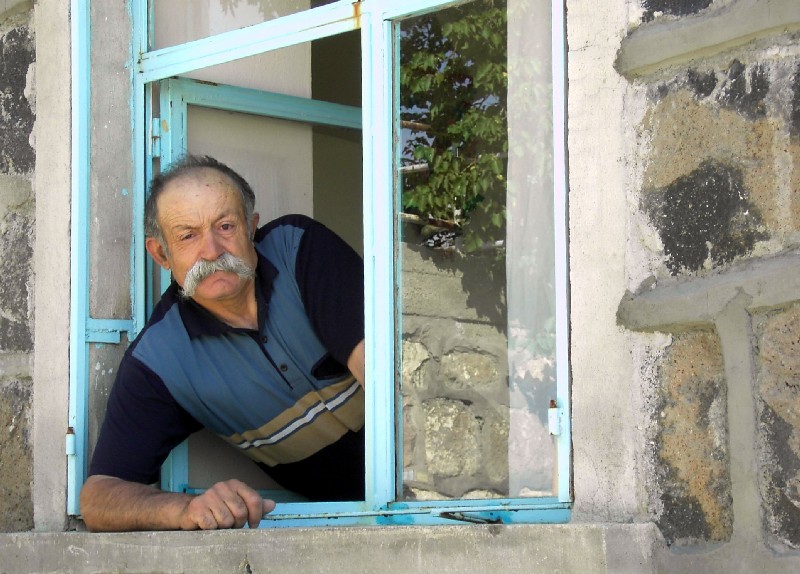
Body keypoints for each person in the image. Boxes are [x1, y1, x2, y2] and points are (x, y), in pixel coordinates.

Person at [80, 155, 366, 532]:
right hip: (357, 524)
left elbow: (389, 377)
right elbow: (99, 498)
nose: (212, 251)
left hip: (438, 489)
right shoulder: (161, 359)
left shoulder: (298, 247)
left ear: (252, 227)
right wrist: (185, 510)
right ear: (161, 254)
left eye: (226, 226)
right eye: (187, 235)